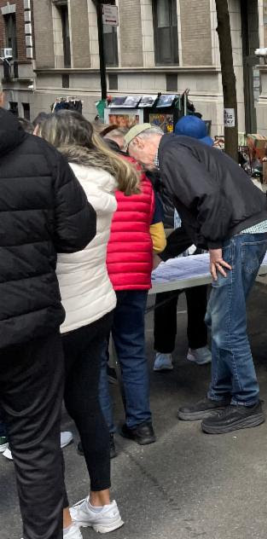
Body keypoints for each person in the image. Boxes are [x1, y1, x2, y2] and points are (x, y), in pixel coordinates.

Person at [125, 122, 267, 435]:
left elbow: (211, 200)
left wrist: (215, 248)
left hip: (238, 235)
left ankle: (247, 401)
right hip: (243, 231)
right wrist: (160, 257)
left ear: (140, 142)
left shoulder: (171, 152)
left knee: (226, 324)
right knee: (218, 319)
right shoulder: (178, 150)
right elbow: (196, 218)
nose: (137, 165)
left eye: (132, 156)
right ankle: (220, 394)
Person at [37, 110, 140, 537]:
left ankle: (63, 521)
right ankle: (102, 503)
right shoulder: (103, 179)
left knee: (40, 424)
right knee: (87, 407)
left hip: (56, 315)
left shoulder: (54, 182)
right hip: (96, 307)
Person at [0, 95, 96, 539]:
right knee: (36, 447)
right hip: (29, 327)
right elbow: (77, 232)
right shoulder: (41, 155)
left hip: (30, 324)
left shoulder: (39, 153)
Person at [107, 119, 212, 373]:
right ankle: (163, 349)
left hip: (189, 239)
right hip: (165, 234)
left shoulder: (198, 165)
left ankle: (197, 344)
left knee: (198, 295)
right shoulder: (154, 168)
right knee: (165, 297)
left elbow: (198, 214)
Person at [90, 127, 166, 448]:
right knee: (132, 350)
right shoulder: (143, 183)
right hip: (135, 279)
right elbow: (157, 239)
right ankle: (142, 424)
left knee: (94, 359)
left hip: (96, 279)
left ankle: (102, 436)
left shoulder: (88, 184)